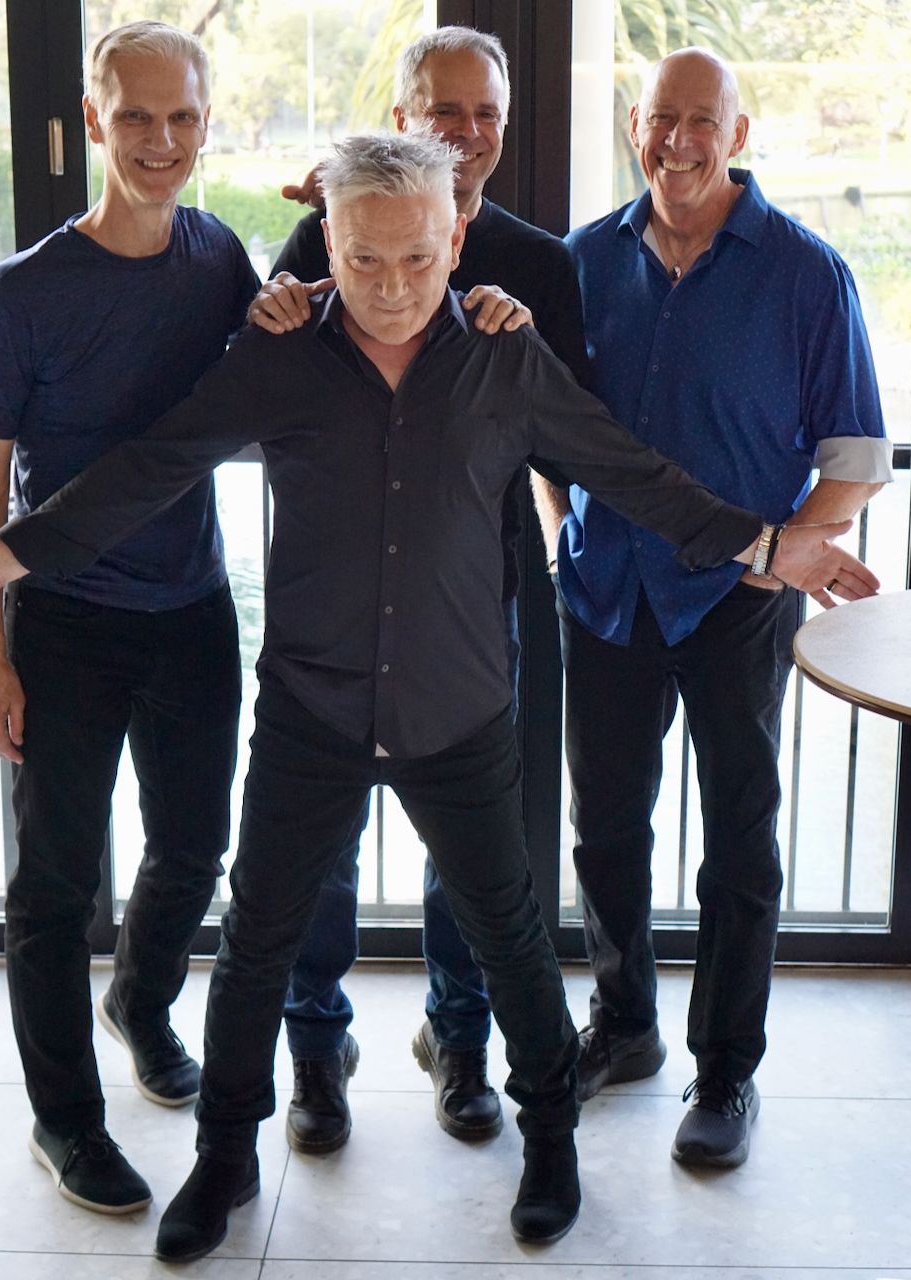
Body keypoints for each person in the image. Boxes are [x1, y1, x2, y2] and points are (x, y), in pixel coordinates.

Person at [0, 131, 876, 1262]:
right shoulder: (280, 353)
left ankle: (549, 1143)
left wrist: (768, 546)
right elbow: (149, 466)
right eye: (364, 258)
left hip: (459, 711)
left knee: (511, 939)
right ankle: (223, 1157)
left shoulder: (505, 355)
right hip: (311, 709)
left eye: (417, 256)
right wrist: (3, 559)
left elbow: (630, 474)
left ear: (457, 241)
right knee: (254, 944)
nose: (392, 285)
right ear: (327, 246)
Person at [531, 46, 892, 1170]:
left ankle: (726, 1067)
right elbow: (547, 429)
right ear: (634, 127)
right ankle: (624, 1024)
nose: (677, 141)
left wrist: (778, 560)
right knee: (605, 828)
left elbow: (856, 457)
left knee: (739, 837)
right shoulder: (583, 260)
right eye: (660, 119)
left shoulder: (805, 272)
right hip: (604, 591)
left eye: (702, 121)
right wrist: (561, 528)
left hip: (738, 598)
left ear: (736, 135)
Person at [249, 25, 589, 1155]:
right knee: (318, 845)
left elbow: (570, 430)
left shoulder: (541, 262)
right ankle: (315, 1043)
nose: (467, 130)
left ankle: (460, 1037)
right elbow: (273, 375)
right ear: (401, 119)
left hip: (476, 592)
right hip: (337, 599)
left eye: (485, 111)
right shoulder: (321, 228)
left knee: (476, 856)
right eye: (443, 109)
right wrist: (270, 305)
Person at [0, 21, 259, 1213]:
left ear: (205, 124)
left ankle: (141, 1001)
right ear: (95, 121)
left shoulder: (219, 256)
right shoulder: (19, 295)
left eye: (181, 117)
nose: (160, 140)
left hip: (192, 603)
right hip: (63, 621)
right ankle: (67, 1121)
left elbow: (286, 359)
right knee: (53, 885)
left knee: (194, 844)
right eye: (135, 116)